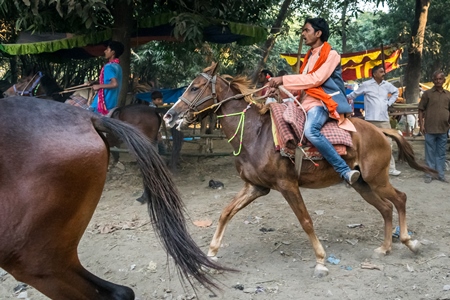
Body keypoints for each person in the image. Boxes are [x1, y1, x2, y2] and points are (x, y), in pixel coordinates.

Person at [268, 17, 360, 185]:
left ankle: (343, 170)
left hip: (323, 102)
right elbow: (303, 85)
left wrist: (283, 79)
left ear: (318, 33)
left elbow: (315, 79)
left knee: (311, 131)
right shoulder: (309, 57)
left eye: (306, 30)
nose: (303, 34)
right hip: (305, 102)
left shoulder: (332, 55)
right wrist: (279, 90)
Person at [347, 64, 401, 176]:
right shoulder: (366, 85)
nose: (384, 74)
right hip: (370, 120)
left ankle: (391, 169)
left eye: (383, 72)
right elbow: (352, 95)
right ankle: (366, 167)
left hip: (384, 119)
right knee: (368, 144)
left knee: (388, 143)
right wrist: (342, 100)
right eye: (381, 72)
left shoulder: (387, 85)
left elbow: (396, 92)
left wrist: (389, 103)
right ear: (374, 74)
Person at [418, 70, 450, 183]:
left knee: (441, 153)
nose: (437, 81)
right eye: (435, 79)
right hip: (430, 128)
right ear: (433, 80)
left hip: (443, 128)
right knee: (430, 153)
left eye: (440, 79)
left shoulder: (448, 95)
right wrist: (421, 125)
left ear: (443, 80)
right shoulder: (427, 94)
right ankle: (429, 174)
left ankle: (440, 174)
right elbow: (421, 110)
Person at [90, 41, 124, 115]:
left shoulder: (109, 67)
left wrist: (99, 86)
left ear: (113, 52)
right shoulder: (118, 66)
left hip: (104, 104)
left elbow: (114, 84)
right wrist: (95, 83)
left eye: (107, 49)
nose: (105, 51)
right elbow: (108, 82)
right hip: (113, 102)